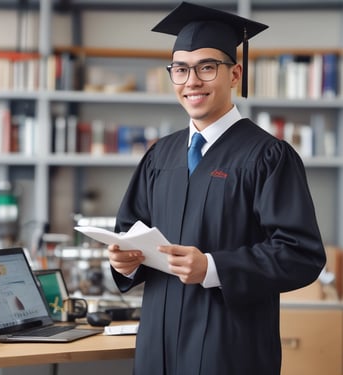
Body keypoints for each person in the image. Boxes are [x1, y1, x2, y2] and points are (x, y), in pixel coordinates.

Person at [107, 2, 326, 374]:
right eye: (180, 69)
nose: (192, 81)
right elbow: (130, 232)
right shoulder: (160, 154)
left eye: (206, 67)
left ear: (234, 73)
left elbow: (300, 255)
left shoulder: (269, 156)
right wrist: (124, 263)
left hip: (231, 349)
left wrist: (213, 267)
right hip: (157, 347)